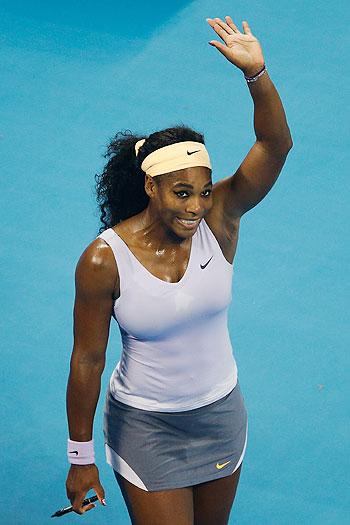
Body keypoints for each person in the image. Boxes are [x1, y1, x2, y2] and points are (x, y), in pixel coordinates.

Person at [65, 15, 292, 524]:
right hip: (146, 427)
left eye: (204, 192)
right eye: (182, 193)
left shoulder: (221, 220)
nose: (195, 208)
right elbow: (87, 361)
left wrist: (257, 74)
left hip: (220, 416)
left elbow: (275, 147)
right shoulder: (103, 259)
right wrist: (80, 459)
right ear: (151, 188)